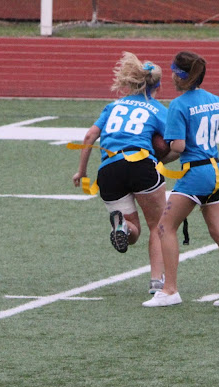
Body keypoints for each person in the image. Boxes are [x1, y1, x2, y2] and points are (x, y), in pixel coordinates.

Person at [143, 51, 219, 308]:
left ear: (180, 76)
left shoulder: (178, 105)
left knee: (165, 227)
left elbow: (179, 146)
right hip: (218, 172)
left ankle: (170, 290)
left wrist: (159, 158)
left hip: (196, 174)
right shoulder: (215, 100)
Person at [72, 52, 168, 294]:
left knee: (134, 230)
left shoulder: (113, 106)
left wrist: (81, 171)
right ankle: (157, 282)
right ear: (158, 86)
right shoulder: (158, 109)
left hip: (109, 169)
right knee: (157, 225)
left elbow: (89, 136)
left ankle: (122, 227)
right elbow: (174, 142)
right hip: (140, 164)